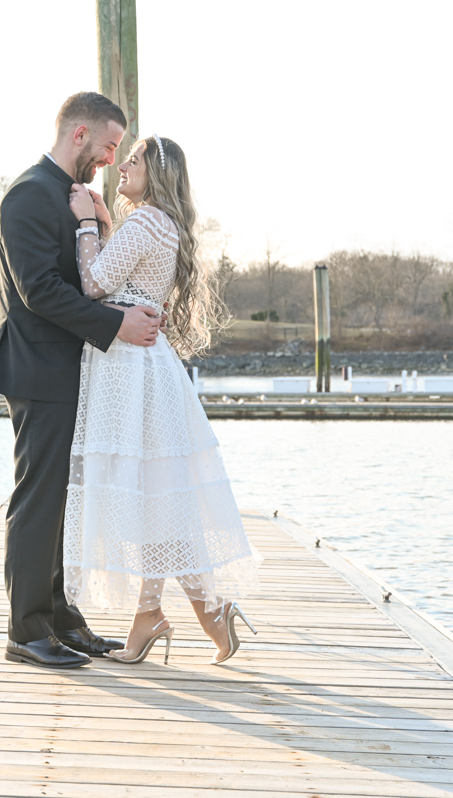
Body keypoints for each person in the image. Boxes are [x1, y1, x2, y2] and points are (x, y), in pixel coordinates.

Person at [63, 134, 261, 665]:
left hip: (130, 375)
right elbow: (124, 280)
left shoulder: (148, 220)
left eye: (134, 160)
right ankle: (187, 617)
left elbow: (93, 285)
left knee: (155, 499)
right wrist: (106, 223)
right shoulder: (156, 223)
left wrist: (85, 224)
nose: (122, 165)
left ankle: (184, 616)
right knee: (158, 500)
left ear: (157, 172)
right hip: (144, 370)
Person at [0, 92, 166, 669]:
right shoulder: (27, 196)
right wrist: (117, 324)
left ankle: (62, 618)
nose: (112, 160)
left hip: (72, 369)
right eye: (109, 146)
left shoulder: (72, 197)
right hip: (38, 369)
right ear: (79, 133)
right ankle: (25, 629)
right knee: (39, 498)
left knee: (66, 502)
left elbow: (89, 275)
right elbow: (39, 290)